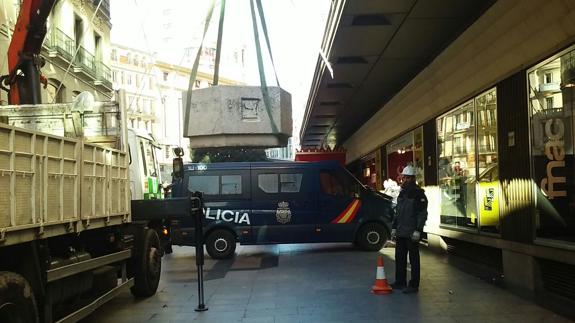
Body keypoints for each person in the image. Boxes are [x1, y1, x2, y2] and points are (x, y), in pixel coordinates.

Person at [391, 165, 428, 294]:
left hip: (412, 232)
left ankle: (413, 285)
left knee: (413, 260)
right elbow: (398, 212)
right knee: (399, 258)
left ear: (412, 178)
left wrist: (418, 230)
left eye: (406, 177)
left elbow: (422, 214)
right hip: (401, 231)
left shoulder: (419, 194)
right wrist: (394, 227)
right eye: (403, 177)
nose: (404, 180)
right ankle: (400, 282)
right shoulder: (402, 193)